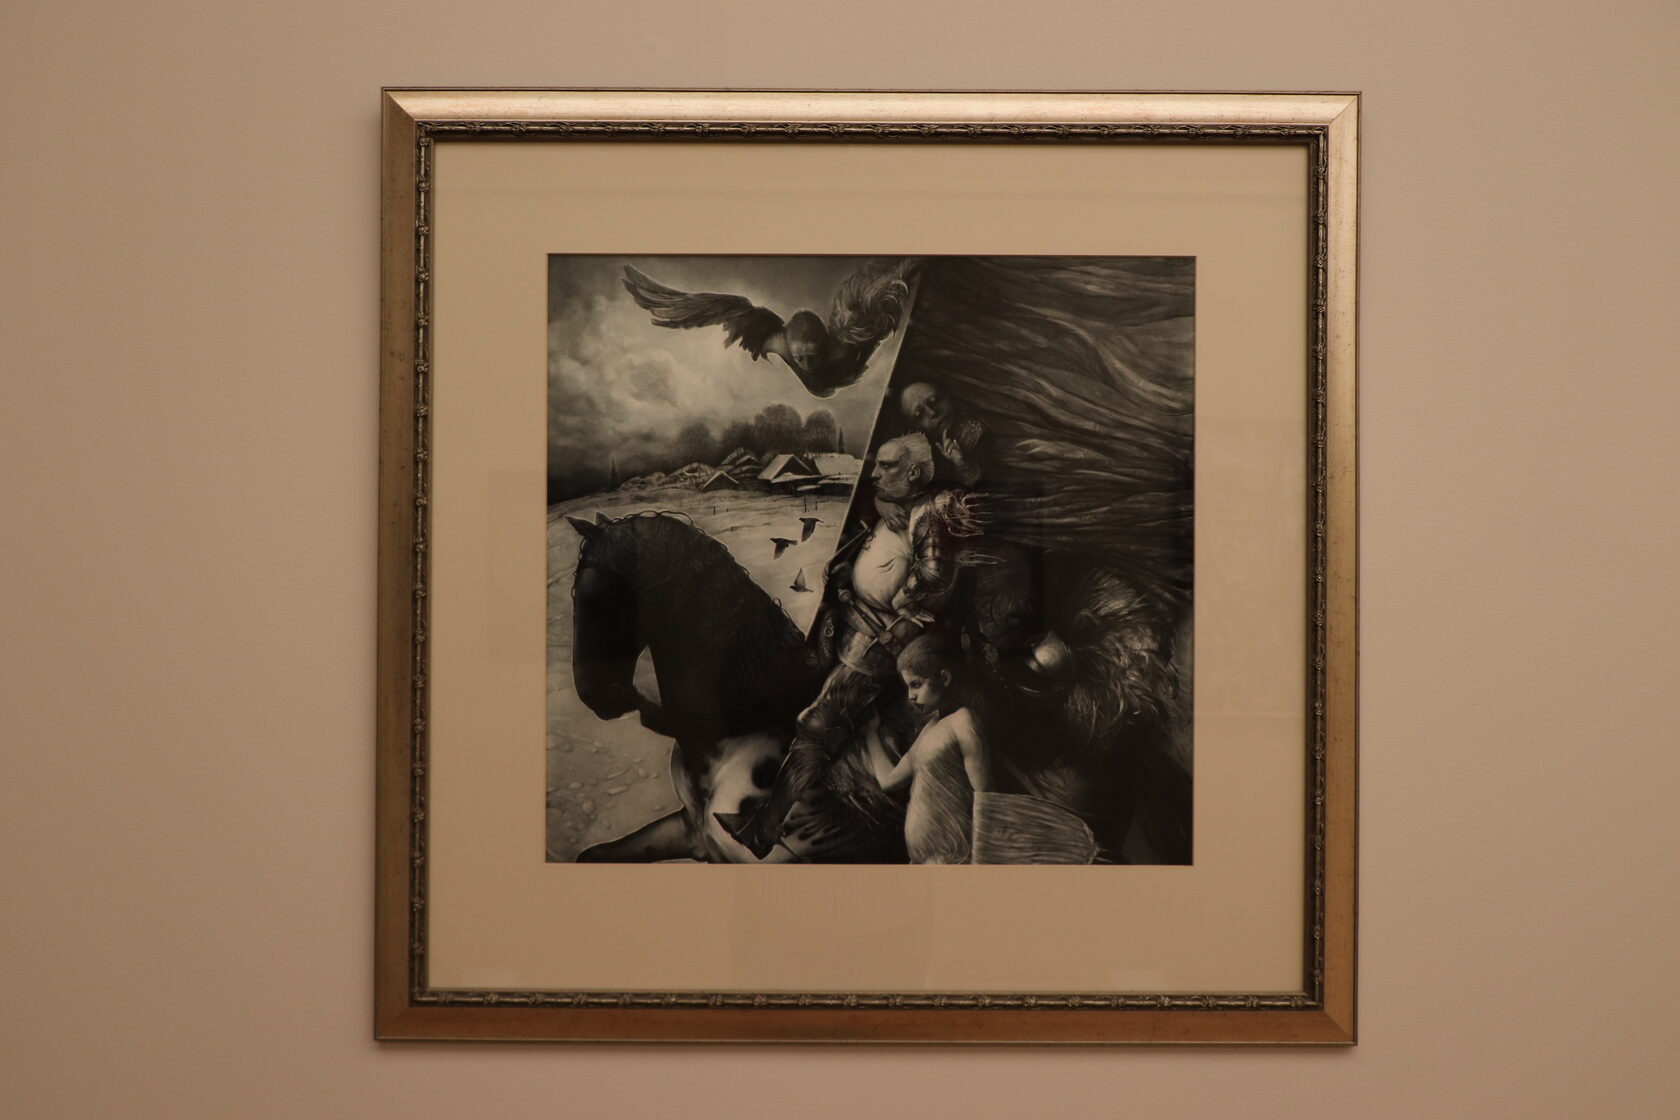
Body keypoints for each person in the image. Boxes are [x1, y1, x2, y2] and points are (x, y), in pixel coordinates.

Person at [719, 432, 962, 859]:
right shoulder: (896, 504)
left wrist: (903, 600)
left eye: (887, 466)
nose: (875, 473)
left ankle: (763, 830)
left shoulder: (929, 515)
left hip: (879, 641)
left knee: (818, 723)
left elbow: (935, 576)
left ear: (915, 472)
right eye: (878, 464)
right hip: (852, 622)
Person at [875, 635, 991, 863]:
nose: (911, 696)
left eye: (916, 684)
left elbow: (985, 796)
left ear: (945, 677)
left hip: (956, 859)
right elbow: (888, 781)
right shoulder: (930, 727)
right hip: (922, 862)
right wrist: (870, 733)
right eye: (908, 687)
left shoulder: (963, 720)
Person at [899, 381, 990, 486]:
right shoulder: (918, 457)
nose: (932, 412)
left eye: (934, 401)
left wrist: (962, 465)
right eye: (919, 414)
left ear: (946, 396)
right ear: (914, 426)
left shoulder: (978, 434)